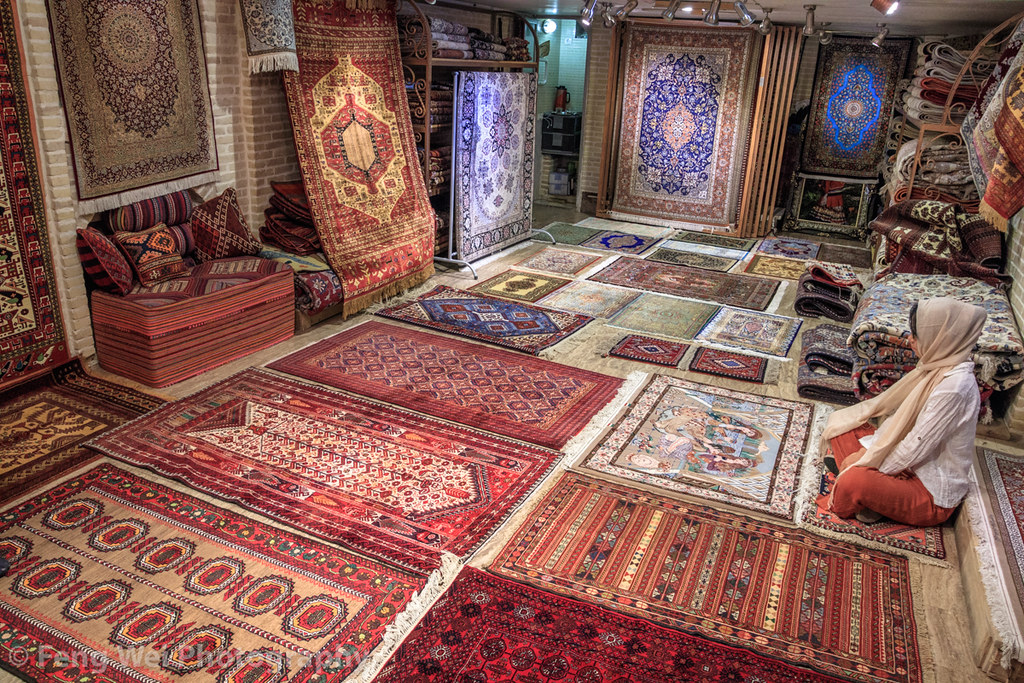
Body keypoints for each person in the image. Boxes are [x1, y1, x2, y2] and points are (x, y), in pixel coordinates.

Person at [818, 296, 986, 526]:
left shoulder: (954, 388)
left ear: (940, 338)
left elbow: (914, 447)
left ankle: (866, 497)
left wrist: (865, 462)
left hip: (928, 491)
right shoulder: (937, 366)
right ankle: (874, 500)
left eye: (917, 335)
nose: (910, 339)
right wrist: (869, 454)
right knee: (843, 425)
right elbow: (899, 424)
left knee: (853, 481)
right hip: (906, 465)